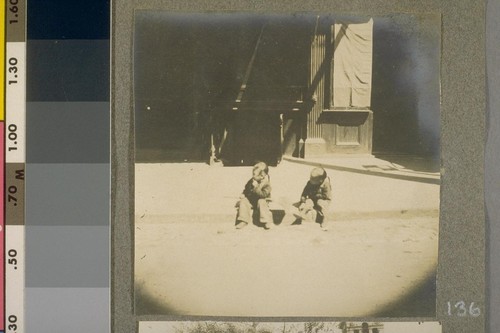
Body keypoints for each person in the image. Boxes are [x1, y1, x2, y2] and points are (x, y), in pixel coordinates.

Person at [235, 162, 273, 230]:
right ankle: (243, 220)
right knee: (243, 201)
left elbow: (263, 195)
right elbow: (246, 188)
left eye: (254, 174)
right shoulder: (252, 180)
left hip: (262, 200)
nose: (252, 176)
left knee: (262, 202)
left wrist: (256, 187)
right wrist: (243, 193)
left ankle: (266, 221)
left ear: (262, 176)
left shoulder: (266, 184)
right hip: (252, 200)